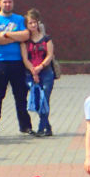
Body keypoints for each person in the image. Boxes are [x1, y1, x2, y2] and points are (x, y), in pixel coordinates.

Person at [0, 0, 32, 137]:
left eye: (10, 2)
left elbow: (26, 35)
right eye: (5, 2)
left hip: (17, 62)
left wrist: (6, 34)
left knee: (21, 95)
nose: (7, 4)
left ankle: (25, 126)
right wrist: (14, 38)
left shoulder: (19, 19)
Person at [20, 9, 55, 138]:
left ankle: (41, 128)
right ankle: (48, 127)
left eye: (35, 22)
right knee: (37, 100)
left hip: (46, 73)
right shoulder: (25, 41)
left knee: (44, 98)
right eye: (30, 23)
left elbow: (49, 55)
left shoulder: (47, 39)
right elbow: (25, 58)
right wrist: (33, 70)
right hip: (30, 73)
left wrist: (40, 67)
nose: (33, 25)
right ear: (27, 25)